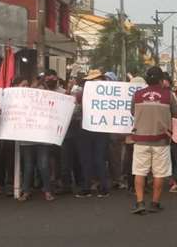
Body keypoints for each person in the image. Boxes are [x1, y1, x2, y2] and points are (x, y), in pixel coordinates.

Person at [130, 66, 177, 215]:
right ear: (161, 79)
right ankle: (155, 203)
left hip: (140, 140)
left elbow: (132, 112)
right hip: (161, 140)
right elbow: (176, 114)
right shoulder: (168, 95)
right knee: (159, 173)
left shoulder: (137, 95)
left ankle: (139, 203)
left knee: (139, 172)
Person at [17, 70, 64, 203]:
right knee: (28, 166)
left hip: (43, 136)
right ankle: (26, 191)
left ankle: (47, 190)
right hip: (27, 137)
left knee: (43, 165)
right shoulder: (23, 97)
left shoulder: (47, 94)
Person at [75, 71, 111, 198]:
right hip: (88, 129)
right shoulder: (82, 94)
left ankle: (99, 186)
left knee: (97, 159)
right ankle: (90, 187)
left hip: (97, 129)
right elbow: (77, 111)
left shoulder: (108, 94)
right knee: (89, 159)